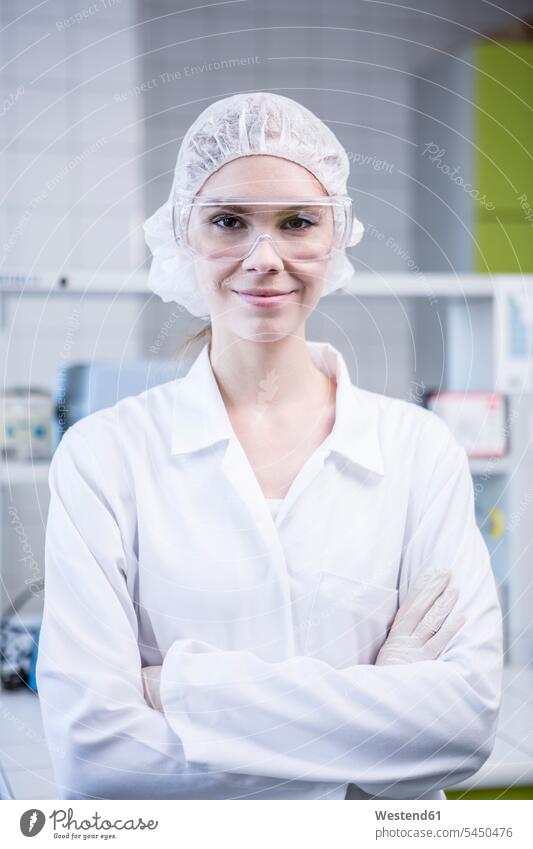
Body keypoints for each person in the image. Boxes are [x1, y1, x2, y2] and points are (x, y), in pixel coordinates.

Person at [36, 92, 503, 801]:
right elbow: (96, 756)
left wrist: (184, 689)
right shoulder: (105, 455)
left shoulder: (417, 449)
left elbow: (462, 725)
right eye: (228, 221)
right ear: (180, 233)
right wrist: (378, 705)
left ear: (337, 236)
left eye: (296, 222)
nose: (264, 258)